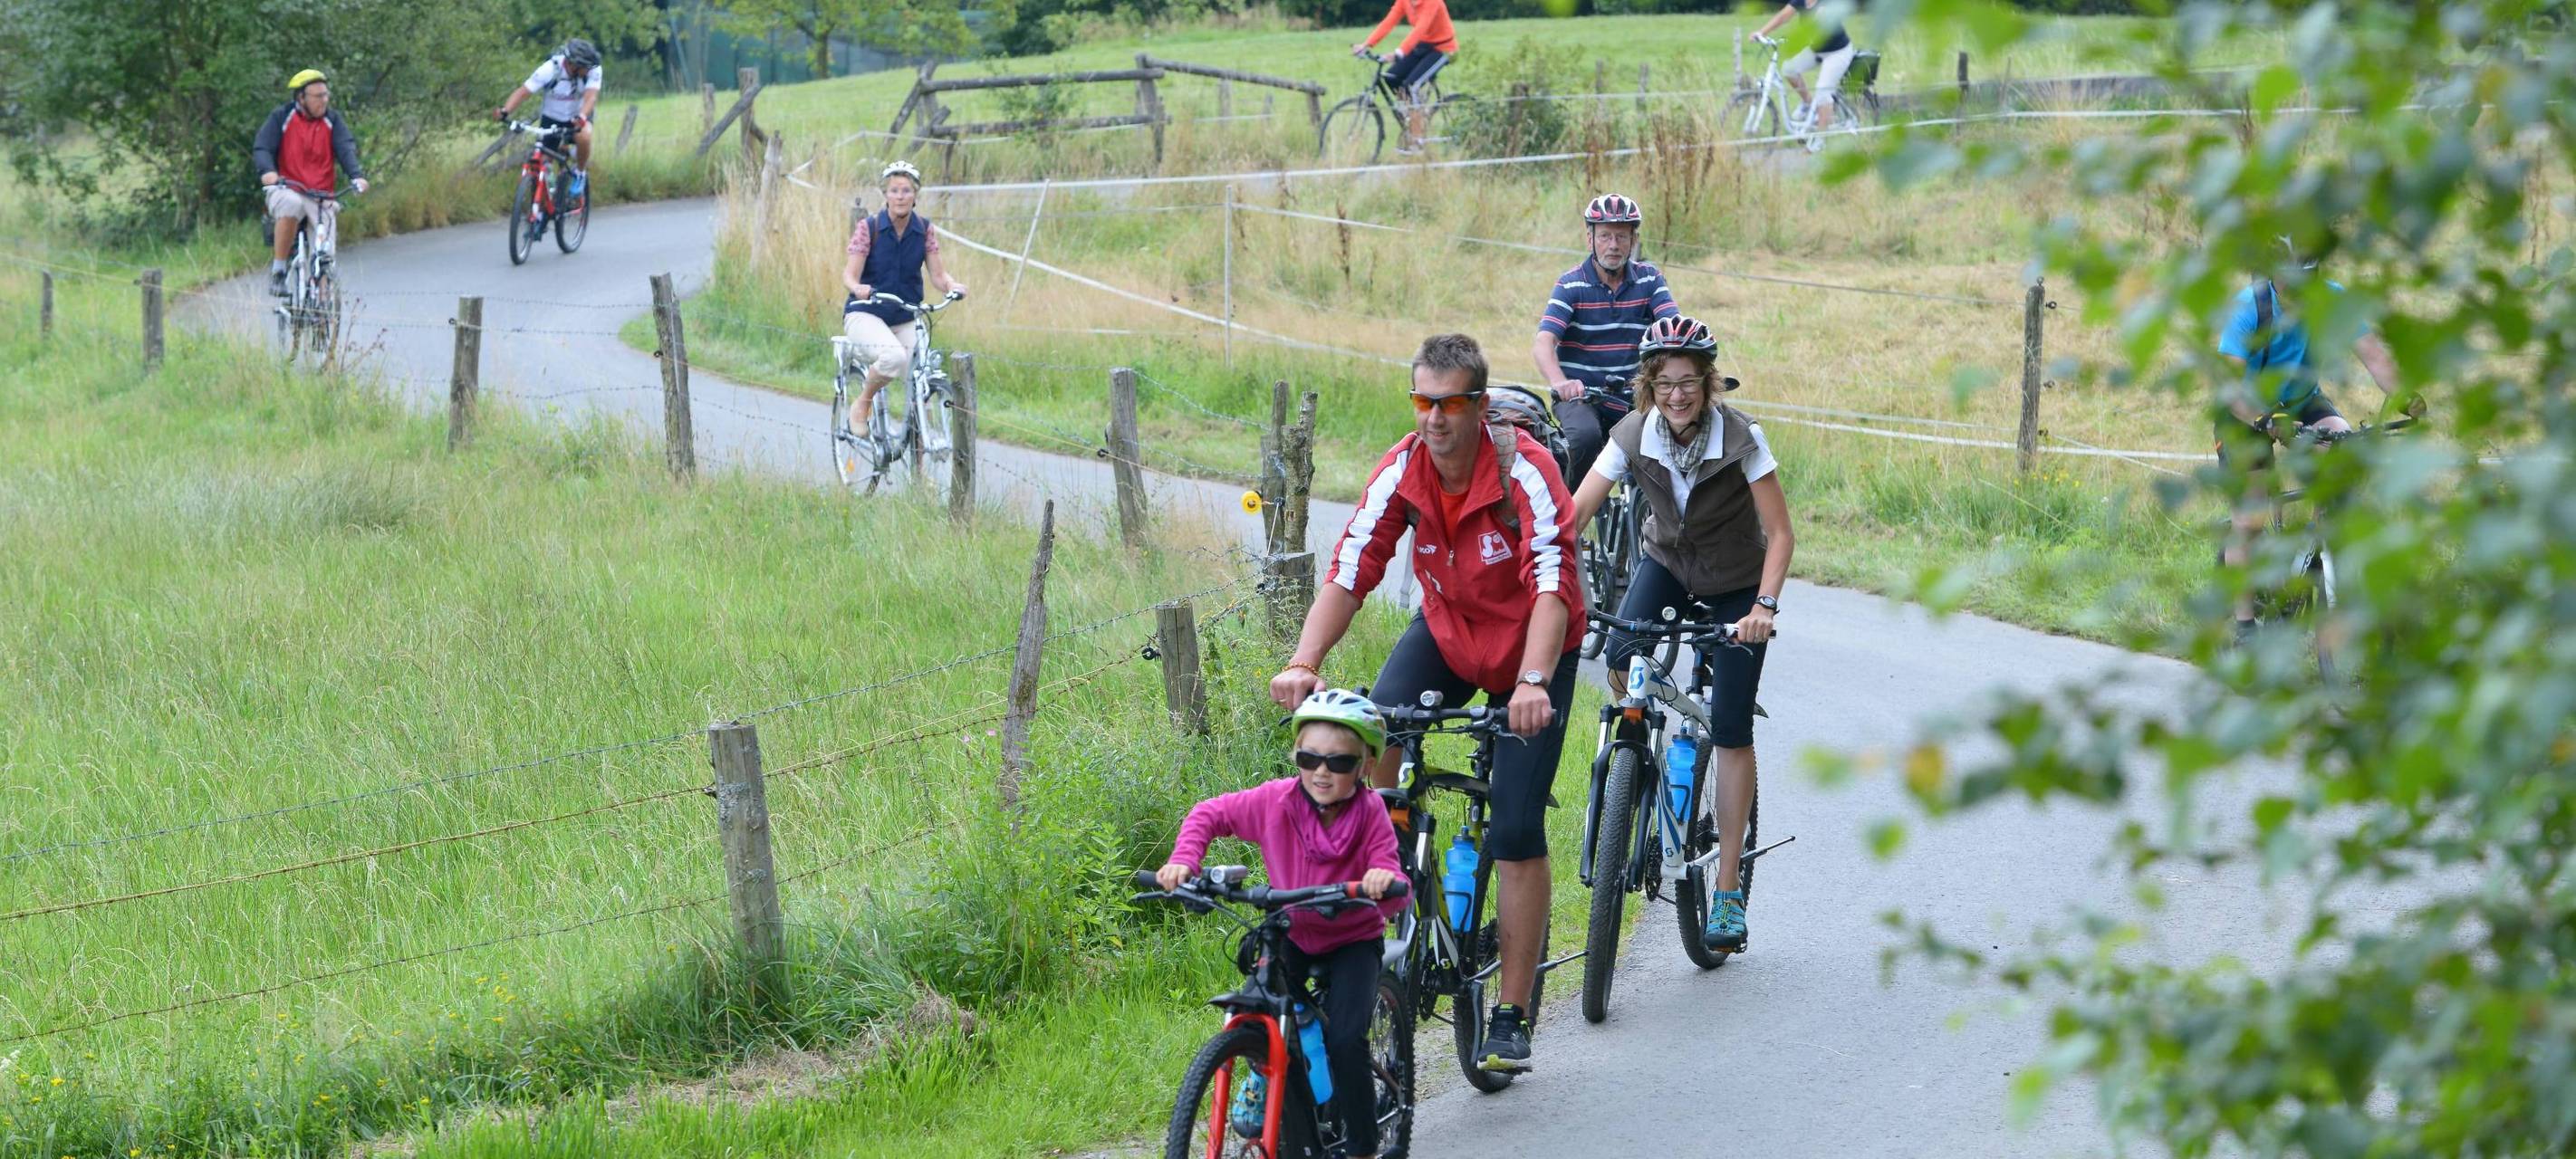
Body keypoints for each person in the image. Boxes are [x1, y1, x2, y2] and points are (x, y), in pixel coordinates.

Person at [1271, 332, 1584, 1073]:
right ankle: (1388, 888)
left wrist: (1532, 682)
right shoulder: (1403, 468)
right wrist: (1304, 661)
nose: (1434, 418)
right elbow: (1352, 569)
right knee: (1368, 739)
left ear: (1480, 404)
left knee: (1514, 825)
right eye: (1422, 401)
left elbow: (1553, 584)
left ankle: (1510, 1013)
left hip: (1533, 648)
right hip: (1449, 632)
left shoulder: (1525, 470)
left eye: (1450, 404)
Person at [1568, 315, 1793, 953]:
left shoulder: (1742, 438)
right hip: (1666, 565)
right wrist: (1564, 590)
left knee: (1730, 725)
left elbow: (1781, 534)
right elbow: (1575, 514)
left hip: (1737, 583)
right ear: (1648, 384)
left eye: (1689, 382)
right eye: (1664, 382)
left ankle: (1727, 889)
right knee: (1621, 655)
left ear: (1708, 383)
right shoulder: (1632, 434)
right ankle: (1633, 764)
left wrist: (1764, 607)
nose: (1676, 394)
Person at [1157, 689, 1404, 1159]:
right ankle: (1262, 1067)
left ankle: (1362, 1146)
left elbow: (1391, 876)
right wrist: (1185, 860)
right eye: (1309, 759)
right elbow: (1210, 813)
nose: (1321, 772)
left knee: (1344, 1039)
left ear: (1366, 765)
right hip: (1291, 930)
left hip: (1352, 939)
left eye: (1339, 762)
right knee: (1261, 1001)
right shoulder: (1275, 801)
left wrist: (1380, 881)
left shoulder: (1371, 812)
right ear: (1296, 756)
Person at [2214, 238, 2403, 644]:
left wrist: (2407, 396)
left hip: (2301, 401)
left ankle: (2322, 547)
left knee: (2344, 446)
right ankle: (2244, 628)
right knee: (2250, 517)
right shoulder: (2248, 307)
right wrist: (2264, 419)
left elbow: (2375, 356)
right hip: (2246, 412)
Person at [1533, 193, 1679, 491]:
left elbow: (1673, 330)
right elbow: (1544, 342)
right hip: (1581, 397)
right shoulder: (1571, 284)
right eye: (1605, 236)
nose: (1613, 245)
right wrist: (1561, 383)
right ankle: (1569, 512)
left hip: (1634, 396)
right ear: (1590, 239)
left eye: (1622, 237)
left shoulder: (1650, 280)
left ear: (1634, 240)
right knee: (1584, 438)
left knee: (1663, 441)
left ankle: (1650, 515)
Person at [841, 160, 967, 449]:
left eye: (906, 190)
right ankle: (863, 403)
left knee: (922, 372)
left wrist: (952, 286)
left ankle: (920, 452)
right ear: (886, 195)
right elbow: (849, 275)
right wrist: (858, 289)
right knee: (894, 358)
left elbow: (938, 275)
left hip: (906, 315)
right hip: (867, 313)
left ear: (915, 195)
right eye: (894, 190)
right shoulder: (869, 228)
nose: (900, 196)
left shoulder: (924, 229)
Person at [253, 69, 369, 298]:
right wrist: (268, 172)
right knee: (291, 205)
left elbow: (345, 148)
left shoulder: (332, 121)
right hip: (287, 188)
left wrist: (356, 176)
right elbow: (263, 147)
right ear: (301, 98)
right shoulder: (282, 117)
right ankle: (278, 271)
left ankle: (322, 303)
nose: (324, 100)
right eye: (318, 96)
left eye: (326, 95)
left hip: (321, 196)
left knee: (325, 253)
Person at [494, 39, 603, 199]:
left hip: (578, 115)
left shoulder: (594, 70)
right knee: (543, 163)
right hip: (552, 117)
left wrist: (581, 116)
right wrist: (505, 111)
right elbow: (524, 92)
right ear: (574, 65)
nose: (588, 70)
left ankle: (580, 173)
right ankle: (544, 201)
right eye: (585, 67)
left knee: (584, 135)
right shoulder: (550, 69)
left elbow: (590, 97)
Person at [1352, 0, 1457, 153]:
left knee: (1412, 85)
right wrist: (1366, 44)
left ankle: (1417, 139)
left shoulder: (1433, 2)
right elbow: (1388, 22)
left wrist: (1398, 53)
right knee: (1391, 77)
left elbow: (1420, 29)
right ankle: (1414, 114)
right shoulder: (1405, 1)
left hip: (1443, 49)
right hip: (1423, 46)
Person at [1753, 0, 1859, 137]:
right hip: (1816, 50)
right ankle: (1809, 104)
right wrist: (1761, 32)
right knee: (1789, 69)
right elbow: (1783, 17)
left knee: (1823, 90)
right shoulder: (1800, 1)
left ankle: (1819, 139)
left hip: (1838, 52)